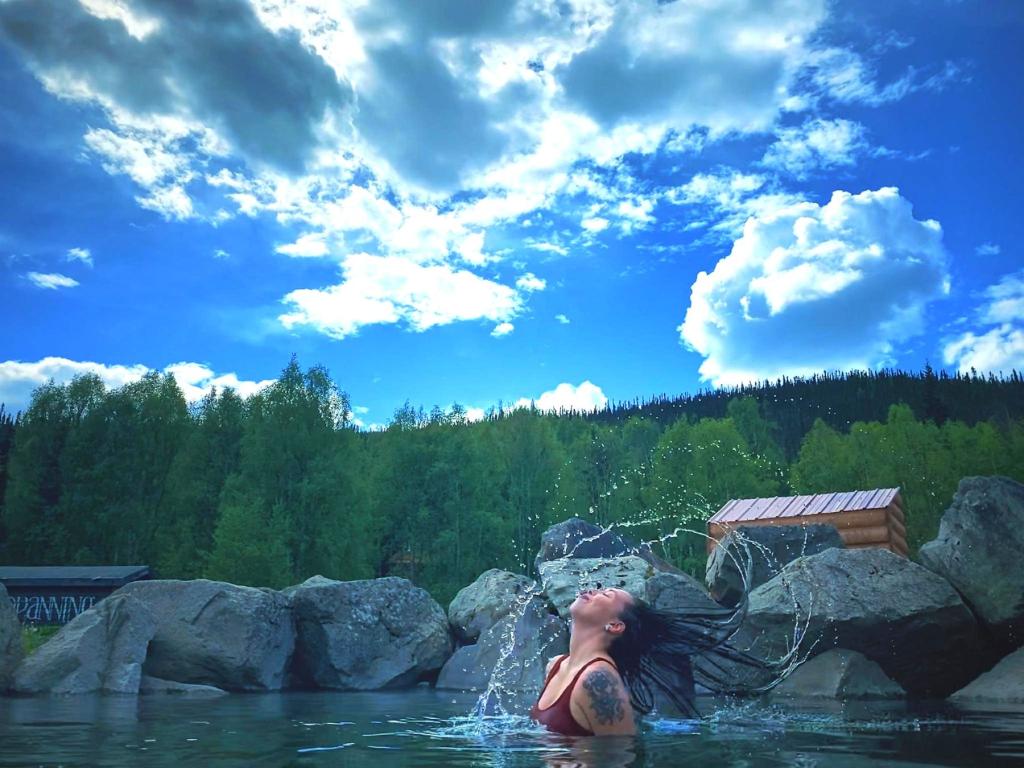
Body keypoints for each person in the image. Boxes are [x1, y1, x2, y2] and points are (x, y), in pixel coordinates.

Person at [530, 582, 769, 737]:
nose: (592, 590)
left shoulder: (599, 680)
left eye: (606, 594)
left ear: (614, 626)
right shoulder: (558, 665)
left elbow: (621, 757)